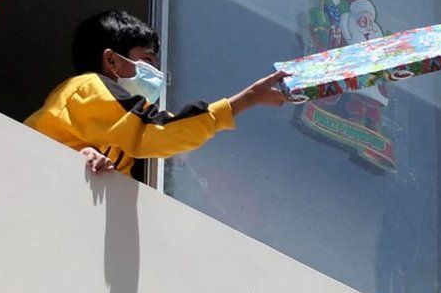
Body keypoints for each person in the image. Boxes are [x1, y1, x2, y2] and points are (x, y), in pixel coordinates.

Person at [25, 10, 289, 179]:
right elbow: (161, 131)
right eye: (148, 60)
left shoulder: (117, 137)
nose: (155, 72)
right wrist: (249, 98)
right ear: (112, 61)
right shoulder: (89, 87)